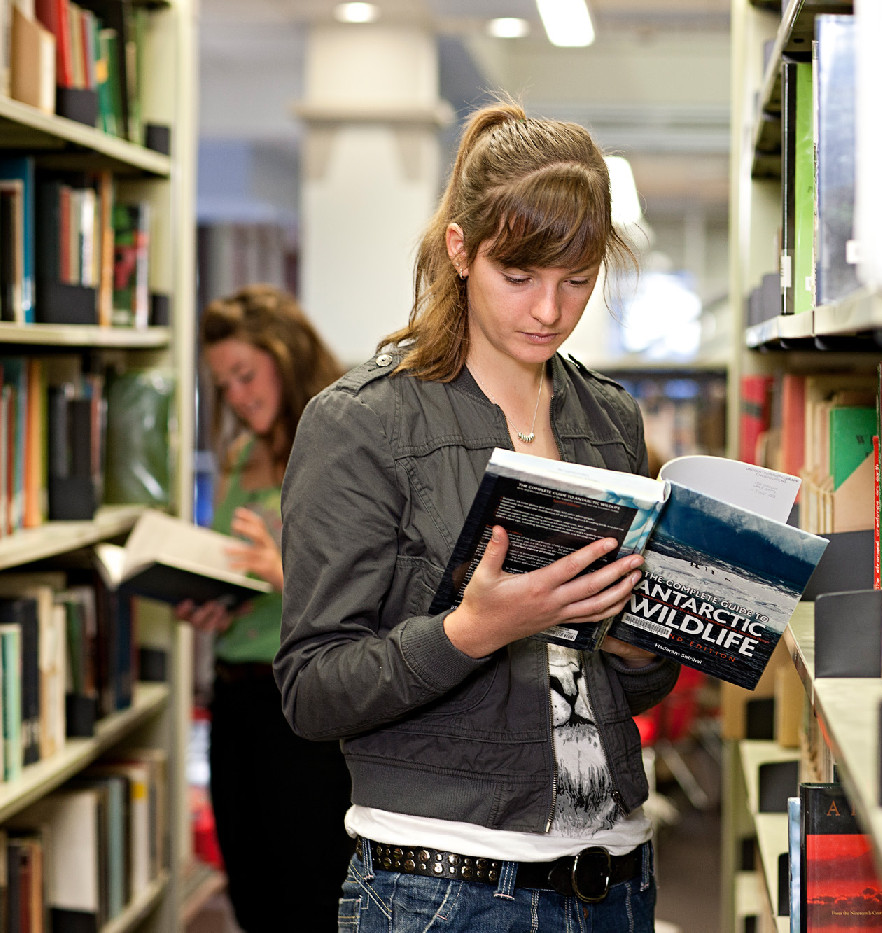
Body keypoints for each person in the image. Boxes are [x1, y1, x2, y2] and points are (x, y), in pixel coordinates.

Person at [275, 100, 681, 933]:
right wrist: (472, 630)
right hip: (445, 888)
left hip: (617, 873)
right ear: (460, 250)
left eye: (577, 279)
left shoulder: (609, 419)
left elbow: (621, 683)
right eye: (520, 276)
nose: (549, 310)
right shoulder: (362, 421)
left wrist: (644, 637)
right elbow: (313, 688)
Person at [179, 284, 353, 932]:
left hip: (302, 708)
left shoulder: (338, 449)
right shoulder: (240, 455)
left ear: (285, 355)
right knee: (249, 890)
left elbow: (372, 597)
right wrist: (211, 600)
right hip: (235, 697)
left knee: (309, 893)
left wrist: (282, 573)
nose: (237, 395)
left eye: (246, 374)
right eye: (223, 384)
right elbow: (240, 572)